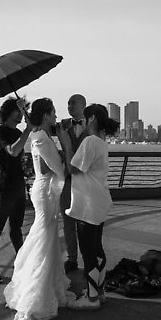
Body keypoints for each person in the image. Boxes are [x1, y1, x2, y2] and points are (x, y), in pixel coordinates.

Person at [4, 98, 75, 320]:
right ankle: (35, 296)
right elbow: (60, 170)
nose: (56, 117)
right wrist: (64, 145)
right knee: (44, 237)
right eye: (53, 113)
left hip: (45, 190)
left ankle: (46, 285)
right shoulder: (42, 138)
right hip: (45, 192)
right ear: (45, 115)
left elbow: (50, 166)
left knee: (47, 236)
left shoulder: (39, 136)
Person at [57, 103, 120, 310]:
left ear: (91, 119)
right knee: (97, 248)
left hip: (88, 204)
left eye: (85, 119)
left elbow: (73, 168)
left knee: (88, 252)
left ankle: (91, 298)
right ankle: (99, 292)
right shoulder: (100, 141)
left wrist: (66, 143)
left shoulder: (90, 141)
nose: (82, 123)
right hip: (99, 201)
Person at [0, 97, 33, 283]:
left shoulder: (18, 131)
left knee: (16, 228)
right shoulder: (0, 132)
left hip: (19, 185)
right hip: (4, 187)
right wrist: (27, 131)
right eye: (19, 109)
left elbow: (19, 156)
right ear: (8, 112)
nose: (21, 113)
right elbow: (12, 151)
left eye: (23, 109)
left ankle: (23, 262)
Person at [59, 94, 88, 273]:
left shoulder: (93, 126)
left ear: (83, 105)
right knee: (67, 222)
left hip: (85, 180)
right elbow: (41, 127)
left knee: (84, 223)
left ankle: (88, 259)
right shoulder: (62, 124)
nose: (69, 106)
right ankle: (72, 258)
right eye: (68, 103)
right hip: (67, 180)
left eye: (73, 103)